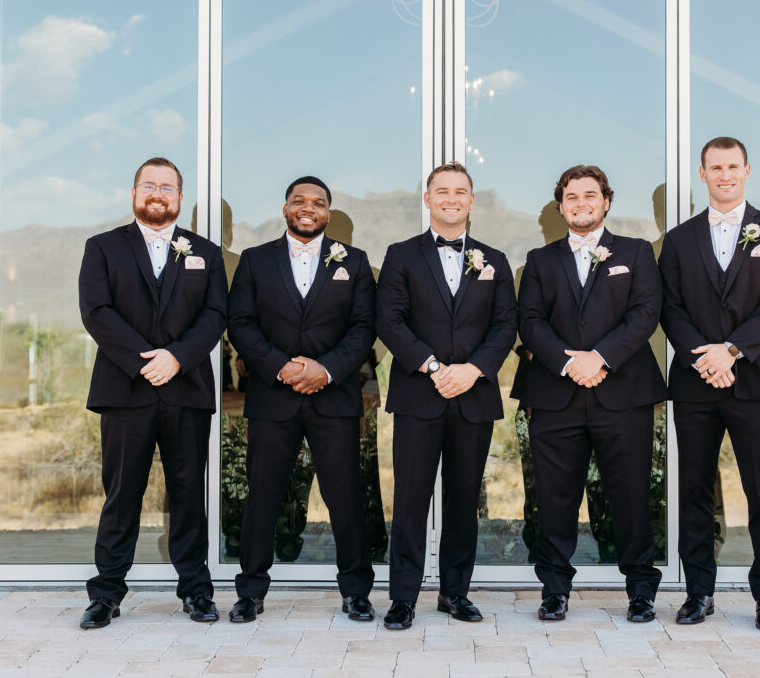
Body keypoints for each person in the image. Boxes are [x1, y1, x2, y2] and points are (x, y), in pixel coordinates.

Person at [77, 157, 227, 628]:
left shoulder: (205, 251)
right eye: (149, 185)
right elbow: (96, 311)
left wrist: (177, 357)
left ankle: (196, 592)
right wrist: (147, 361)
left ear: (180, 198)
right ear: (135, 193)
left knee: (187, 495)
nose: (157, 193)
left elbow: (215, 313)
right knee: (122, 494)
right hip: (125, 391)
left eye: (167, 186)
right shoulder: (102, 247)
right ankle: (106, 594)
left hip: (186, 390)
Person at [659, 136, 760, 631]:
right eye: (715, 167)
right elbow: (669, 307)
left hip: (754, 381)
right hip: (696, 384)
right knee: (695, 490)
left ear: (746, 170)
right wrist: (706, 358)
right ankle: (699, 593)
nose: (724, 175)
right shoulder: (677, 241)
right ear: (702, 174)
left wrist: (732, 351)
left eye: (732, 166)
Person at [518, 165, 665, 622]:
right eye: (571, 196)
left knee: (630, 497)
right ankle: (554, 590)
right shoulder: (540, 261)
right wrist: (568, 362)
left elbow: (645, 313)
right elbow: (530, 321)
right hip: (555, 394)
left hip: (622, 391)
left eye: (590, 194)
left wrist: (598, 358)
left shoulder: (637, 253)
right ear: (560, 206)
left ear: (606, 201)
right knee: (554, 497)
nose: (581, 203)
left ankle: (640, 590)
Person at [226, 176, 376, 623]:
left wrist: (324, 370)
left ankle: (356, 592)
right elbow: (241, 324)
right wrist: (283, 367)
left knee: (345, 496)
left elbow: (363, 326)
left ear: (328, 213)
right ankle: (250, 591)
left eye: (318, 202)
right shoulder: (255, 261)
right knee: (263, 496)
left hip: (334, 398)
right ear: (285, 208)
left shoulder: (356, 261)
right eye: (299, 200)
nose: (308, 207)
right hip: (274, 397)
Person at [375, 162, 517, 630]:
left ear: (472, 201)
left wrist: (473, 370)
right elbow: (389, 322)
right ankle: (403, 599)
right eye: (442, 191)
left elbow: (505, 326)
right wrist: (436, 368)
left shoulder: (493, 259)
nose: (451, 198)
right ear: (428, 199)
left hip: (473, 397)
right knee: (411, 501)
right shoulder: (401, 255)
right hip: (420, 394)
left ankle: (455, 592)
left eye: (460, 191)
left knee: (463, 501)